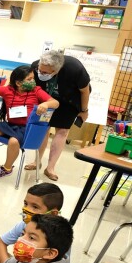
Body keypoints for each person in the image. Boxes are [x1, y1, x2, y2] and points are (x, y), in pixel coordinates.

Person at [0, 65, 59, 180]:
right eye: (29, 79)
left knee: (13, 141)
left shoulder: (36, 91)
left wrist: (46, 104)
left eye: (33, 78)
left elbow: (55, 103)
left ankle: (7, 168)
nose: (33, 81)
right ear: (18, 83)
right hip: (10, 125)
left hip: (26, 128)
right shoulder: (8, 90)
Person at [29, 50, 91, 181]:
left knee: (62, 132)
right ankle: (37, 161)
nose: (41, 73)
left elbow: (85, 91)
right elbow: (33, 88)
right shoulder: (35, 66)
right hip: (47, 100)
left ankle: (50, 168)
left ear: (56, 70)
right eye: (40, 70)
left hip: (69, 101)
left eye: (45, 73)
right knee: (43, 128)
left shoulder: (75, 69)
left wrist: (84, 111)